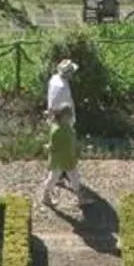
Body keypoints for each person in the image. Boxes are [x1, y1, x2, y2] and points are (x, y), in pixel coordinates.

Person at [39, 58, 86, 209]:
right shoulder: (63, 88)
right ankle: (74, 192)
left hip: (56, 122)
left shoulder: (54, 79)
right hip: (65, 152)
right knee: (70, 173)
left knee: (61, 174)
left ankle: (55, 188)